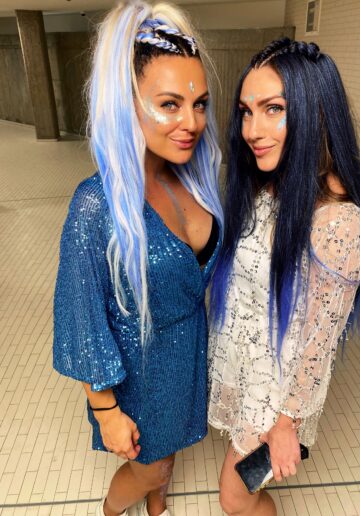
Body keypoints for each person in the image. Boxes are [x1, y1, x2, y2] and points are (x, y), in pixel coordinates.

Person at [53, 2, 223, 515]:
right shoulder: (96, 204)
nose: (191, 122)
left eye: (199, 104)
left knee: (167, 457)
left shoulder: (194, 178)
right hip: (138, 373)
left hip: (186, 355)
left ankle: (158, 504)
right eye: (170, 104)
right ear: (126, 102)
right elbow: (81, 318)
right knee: (149, 465)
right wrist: (106, 411)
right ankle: (112, 509)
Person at [208, 38, 360, 516]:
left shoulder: (337, 222)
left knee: (234, 498)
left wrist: (286, 424)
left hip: (275, 392)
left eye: (273, 109)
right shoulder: (270, 183)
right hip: (247, 365)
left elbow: (320, 343)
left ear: (315, 111)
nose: (251, 130)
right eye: (246, 111)